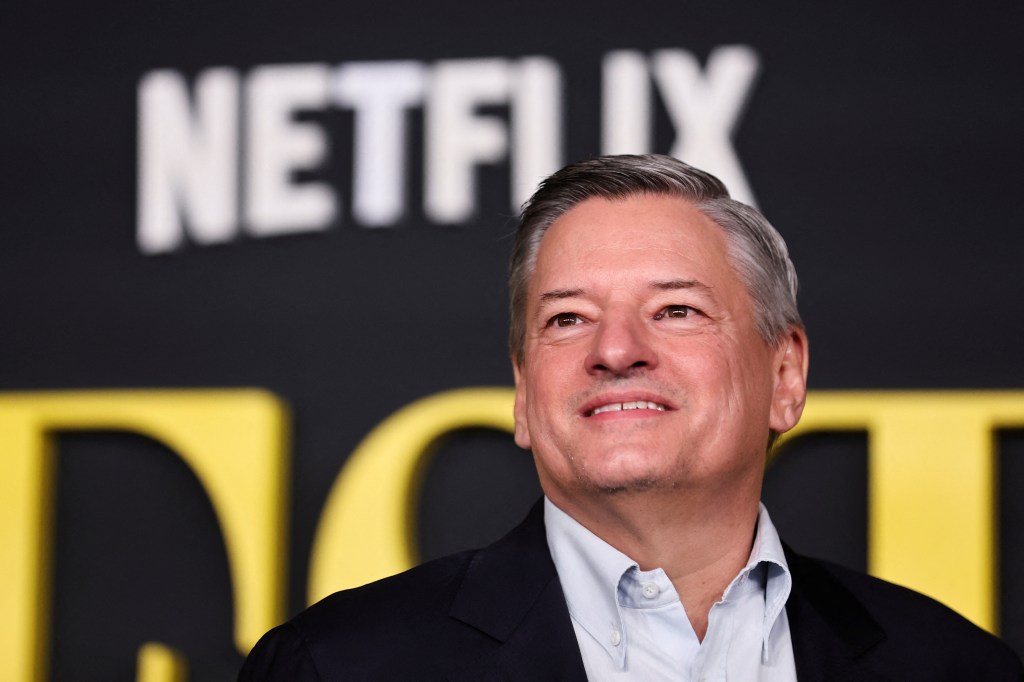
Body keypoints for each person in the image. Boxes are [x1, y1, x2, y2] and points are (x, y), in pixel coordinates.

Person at [239, 154, 1023, 680]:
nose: (616, 350)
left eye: (676, 310)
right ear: (522, 391)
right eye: (568, 319)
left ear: (785, 375)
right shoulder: (339, 666)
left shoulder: (955, 666)